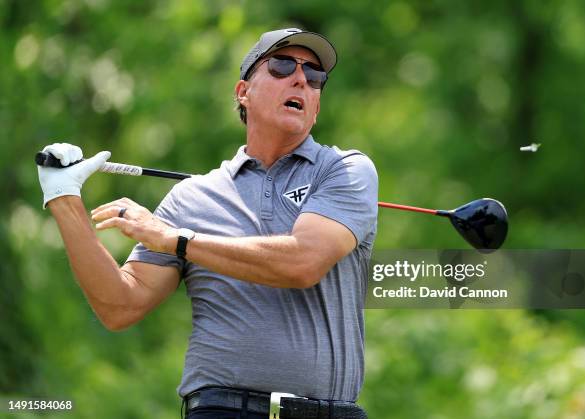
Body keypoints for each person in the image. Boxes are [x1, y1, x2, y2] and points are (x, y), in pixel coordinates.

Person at [38, 28, 377, 419]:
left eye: (315, 75)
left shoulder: (345, 170)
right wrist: (64, 199)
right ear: (242, 93)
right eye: (283, 65)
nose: (301, 78)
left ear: (316, 105)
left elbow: (302, 263)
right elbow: (120, 306)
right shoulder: (192, 198)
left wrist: (177, 240)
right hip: (221, 410)